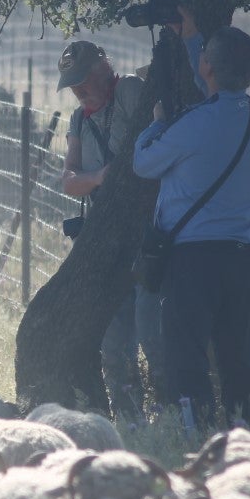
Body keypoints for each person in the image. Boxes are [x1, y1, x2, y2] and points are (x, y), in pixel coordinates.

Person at [133, 26, 250, 432]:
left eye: (204, 54)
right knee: (238, 351)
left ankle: (197, 434)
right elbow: (213, 84)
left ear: (207, 65)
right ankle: (248, 431)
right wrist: (197, 38)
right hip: (242, 254)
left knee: (186, 352)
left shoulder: (192, 123)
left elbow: (143, 163)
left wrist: (156, 124)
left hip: (193, 257)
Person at [57, 40, 166, 419]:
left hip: (148, 232)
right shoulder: (78, 119)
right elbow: (69, 180)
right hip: (106, 238)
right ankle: (131, 422)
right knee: (115, 343)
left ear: (104, 68)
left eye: (83, 80)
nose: (79, 91)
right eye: (72, 85)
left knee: (153, 334)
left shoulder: (130, 92)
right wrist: (101, 176)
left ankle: (168, 416)